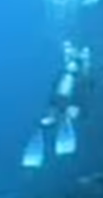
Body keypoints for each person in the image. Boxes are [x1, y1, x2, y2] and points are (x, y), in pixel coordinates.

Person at [22, 40, 93, 169]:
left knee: (69, 89)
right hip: (65, 103)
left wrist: (77, 110)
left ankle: (51, 123)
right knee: (64, 93)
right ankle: (50, 124)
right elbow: (57, 93)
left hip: (69, 103)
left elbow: (84, 91)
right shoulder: (70, 75)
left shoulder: (79, 75)